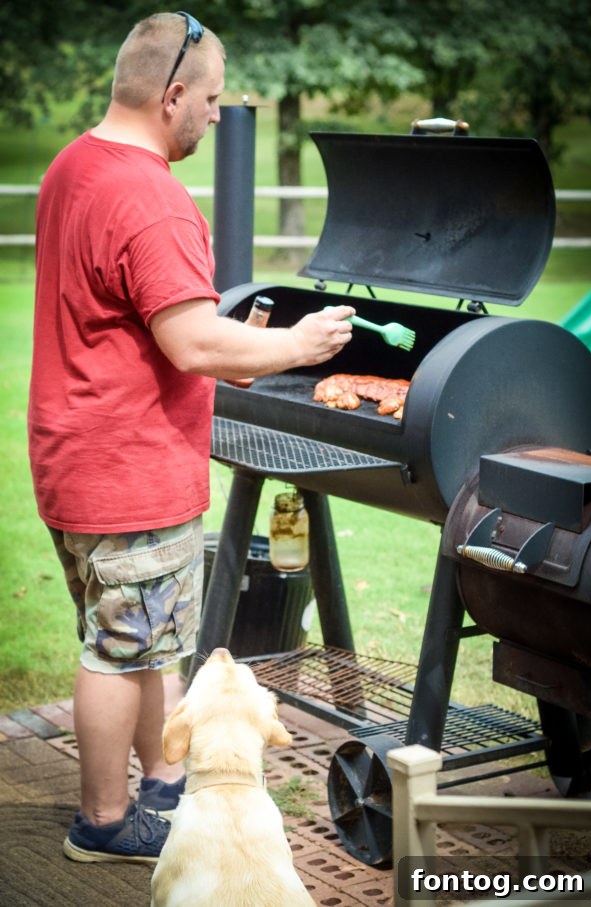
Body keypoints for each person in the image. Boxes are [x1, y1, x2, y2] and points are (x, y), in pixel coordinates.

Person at [28, 10, 354, 865]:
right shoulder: (152, 197)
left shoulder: (74, 164)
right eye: (209, 99)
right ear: (171, 94)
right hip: (129, 469)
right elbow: (194, 343)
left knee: (144, 642)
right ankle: (103, 821)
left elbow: (143, 317)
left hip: (74, 456)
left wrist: (218, 329)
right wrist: (297, 344)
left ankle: (165, 788)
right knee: (115, 651)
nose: (216, 114)